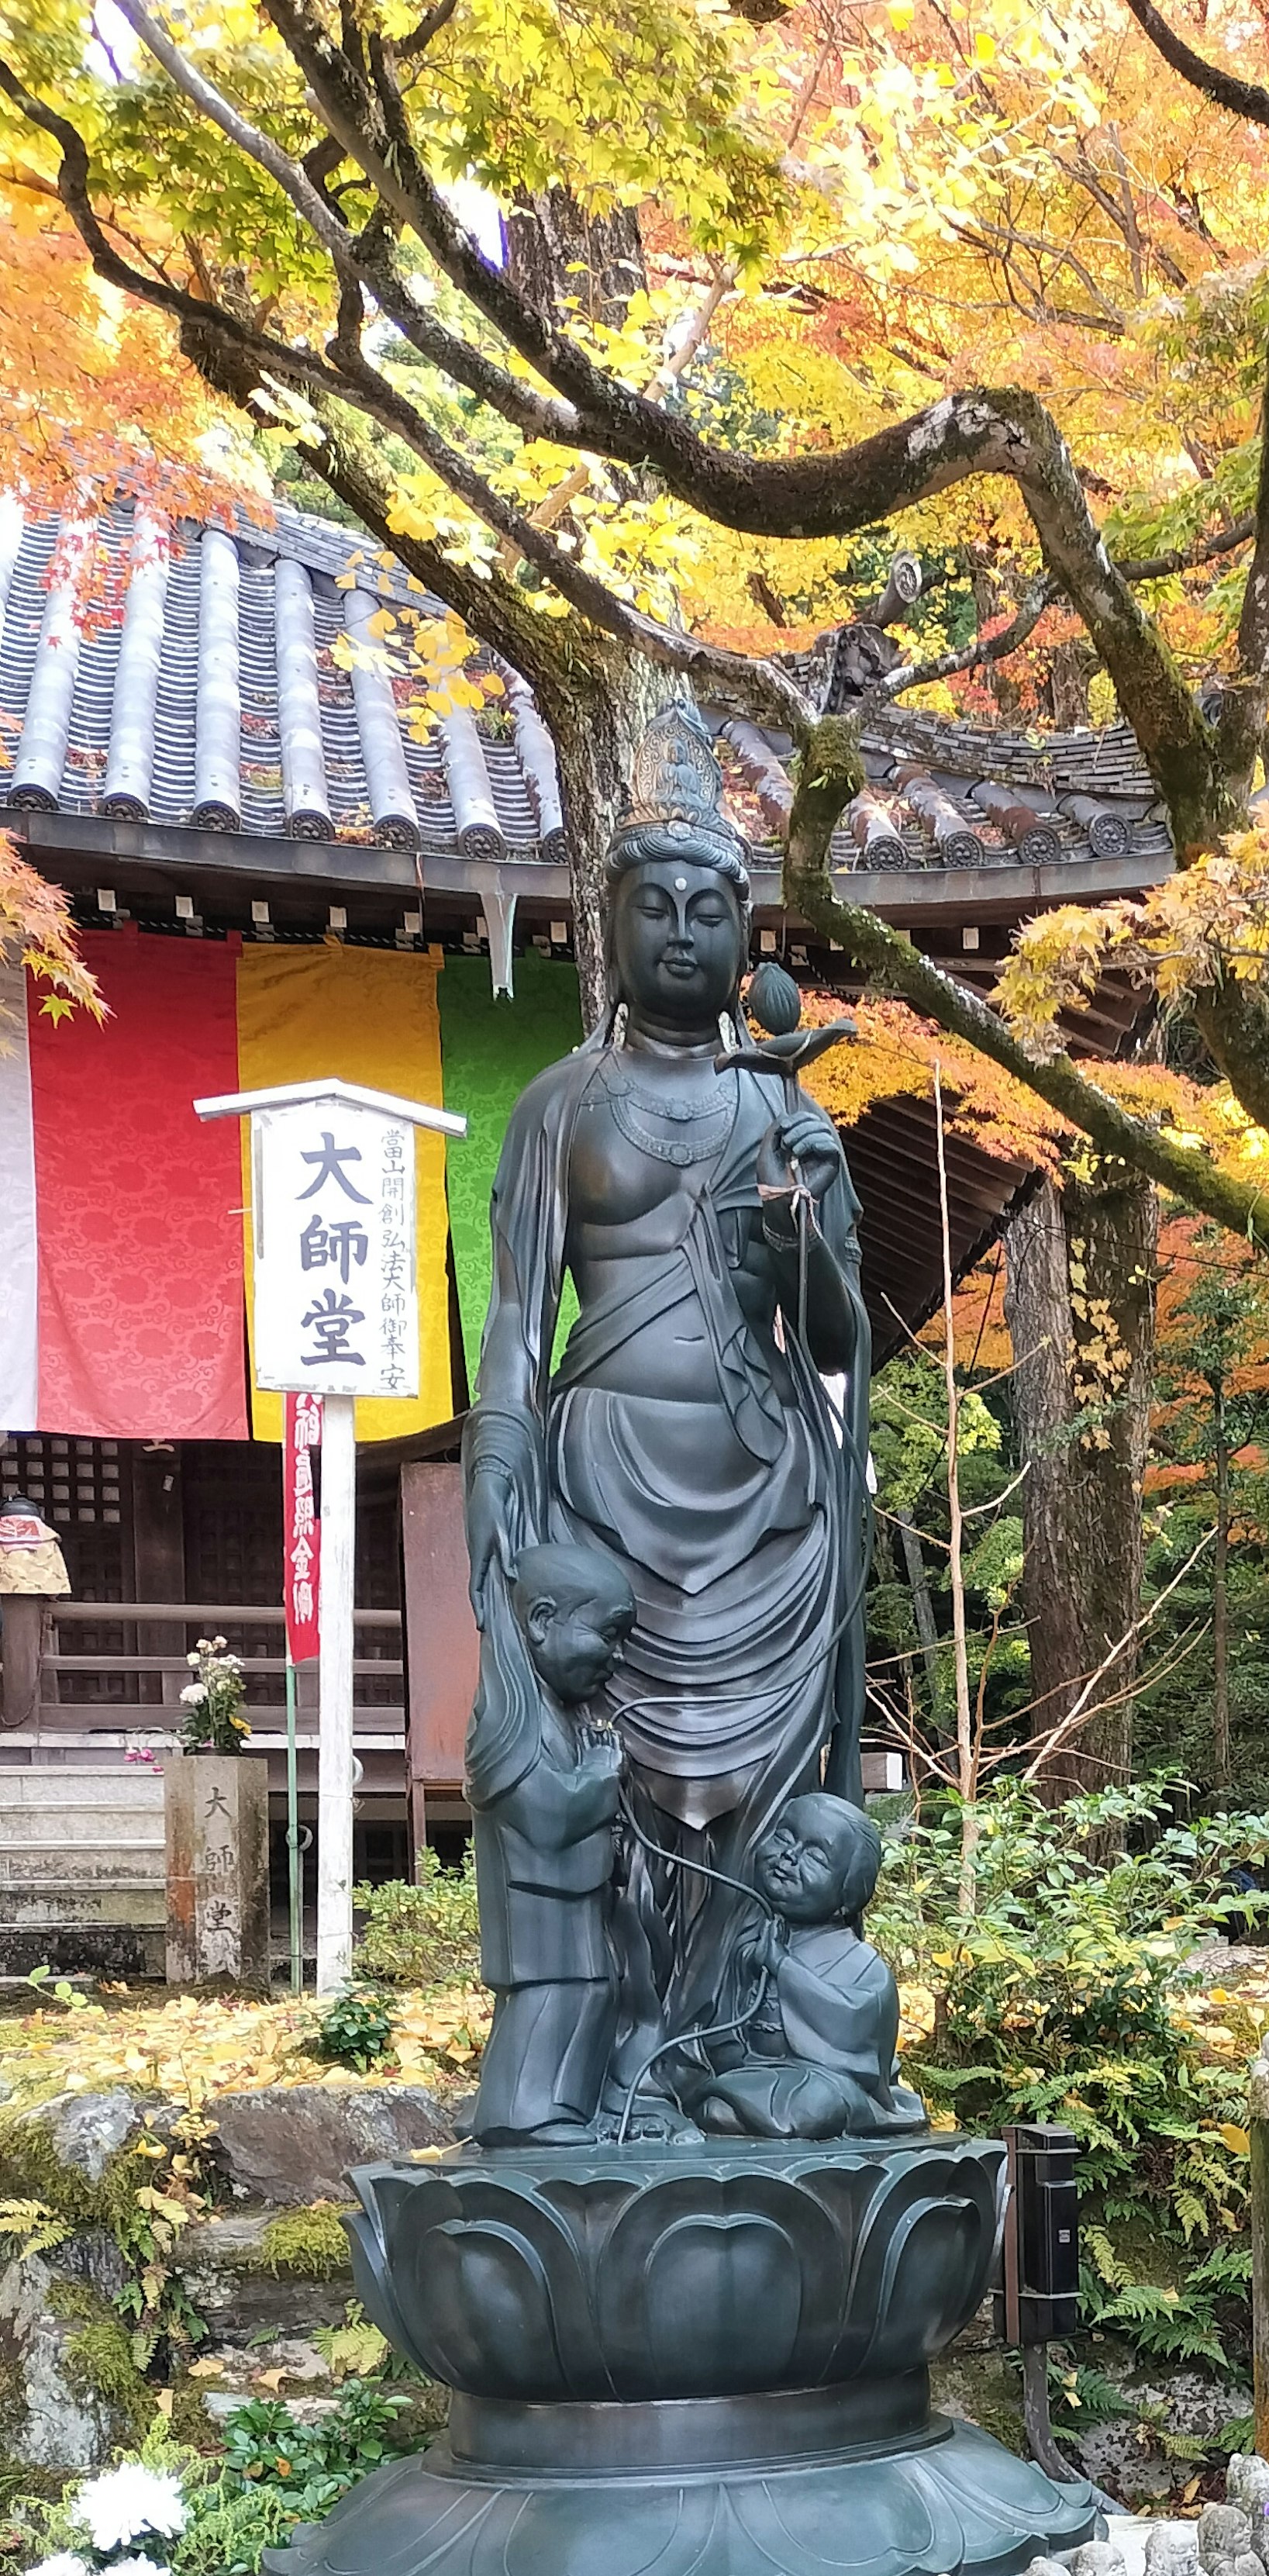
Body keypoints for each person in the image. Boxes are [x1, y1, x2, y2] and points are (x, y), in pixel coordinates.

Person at [462, 743, 873, 2122]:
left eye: (712, 909)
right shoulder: (559, 1106)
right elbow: (517, 1321)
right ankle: (610, 2057)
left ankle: (736, 2041)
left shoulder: (782, 1105)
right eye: (659, 908)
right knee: (614, 1784)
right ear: (611, 928)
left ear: (744, 932)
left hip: (764, 1493)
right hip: (600, 1489)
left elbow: (831, 1339)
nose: (686, 932)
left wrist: (812, 1222)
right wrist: (496, 1489)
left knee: (761, 1798)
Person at [469, 1533, 646, 2146]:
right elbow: (545, 1815)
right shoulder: (509, 1718)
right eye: (608, 1634)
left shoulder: (557, 1713)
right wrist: (598, 1778)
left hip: (573, 1902)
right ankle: (521, 2115)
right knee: (548, 2003)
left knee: (593, 1993)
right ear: (542, 1622)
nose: (617, 1658)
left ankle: (561, 2112)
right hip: (536, 1906)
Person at [688, 1791, 930, 2140]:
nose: (789, 1856)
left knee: (816, 2104)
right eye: (785, 1837)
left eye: (815, 1856)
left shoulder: (864, 1968)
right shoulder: (742, 1945)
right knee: (707, 2098)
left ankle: (745, 2107)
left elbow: (855, 2032)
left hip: (821, 2083)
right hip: (751, 2072)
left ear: (847, 1896)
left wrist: (782, 1966)